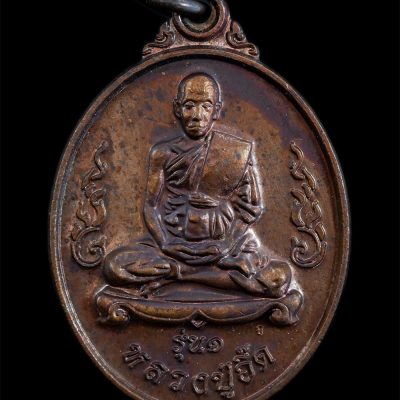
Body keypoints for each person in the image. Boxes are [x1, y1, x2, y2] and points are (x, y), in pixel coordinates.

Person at [103, 73, 292, 298]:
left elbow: (252, 209)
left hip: (227, 246)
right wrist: (165, 243)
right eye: (189, 106)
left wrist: (227, 243)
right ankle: (202, 276)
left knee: (279, 278)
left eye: (206, 106)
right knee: (114, 267)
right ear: (177, 109)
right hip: (174, 246)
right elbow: (150, 206)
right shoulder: (162, 153)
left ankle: (181, 275)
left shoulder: (236, 152)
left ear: (217, 110)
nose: (197, 116)